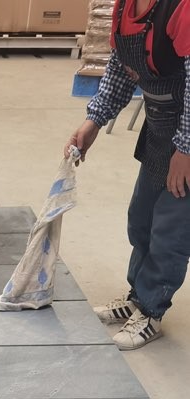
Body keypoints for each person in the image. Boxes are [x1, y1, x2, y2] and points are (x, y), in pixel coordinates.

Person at [66, 0, 190, 350]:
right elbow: (120, 71)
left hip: (187, 140)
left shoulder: (180, 9)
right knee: (141, 220)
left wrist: (186, 150)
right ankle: (138, 297)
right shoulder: (124, 9)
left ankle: (151, 311)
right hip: (160, 131)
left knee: (170, 232)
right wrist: (93, 121)